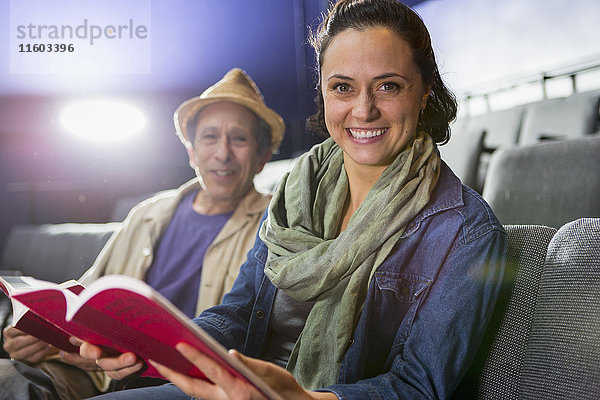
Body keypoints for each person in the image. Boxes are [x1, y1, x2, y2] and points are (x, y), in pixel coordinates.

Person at [82, 0, 508, 398]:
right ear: (322, 92)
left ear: (425, 90)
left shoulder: (467, 229)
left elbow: (419, 387)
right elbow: (240, 313)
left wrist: (299, 397)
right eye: (343, 87)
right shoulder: (292, 192)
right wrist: (152, 345)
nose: (363, 110)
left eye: (389, 86)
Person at [0, 68, 285, 400]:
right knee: (7, 379)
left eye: (238, 138)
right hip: (99, 373)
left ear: (263, 156)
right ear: (192, 152)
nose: (222, 153)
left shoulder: (275, 222)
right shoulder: (148, 213)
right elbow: (88, 295)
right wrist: (45, 336)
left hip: (183, 383)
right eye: (209, 137)